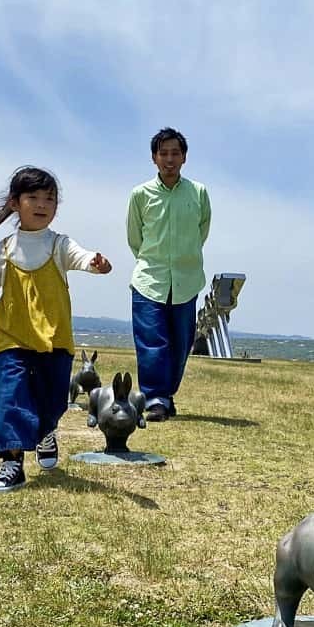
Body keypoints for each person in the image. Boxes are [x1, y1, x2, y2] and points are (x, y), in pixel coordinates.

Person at [0, 157, 112, 493]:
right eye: (34, 198)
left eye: (50, 199)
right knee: (10, 400)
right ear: (15, 203)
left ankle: (45, 431)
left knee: (52, 402)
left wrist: (97, 263)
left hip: (54, 342)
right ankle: (11, 464)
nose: (43, 205)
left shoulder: (59, 245)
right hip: (10, 340)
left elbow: (84, 257)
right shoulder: (4, 250)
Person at [126, 127, 211, 421]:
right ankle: (154, 398)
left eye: (175, 153)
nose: (169, 159)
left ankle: (165, 394)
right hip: (149, 278)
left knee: (180, 343)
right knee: (152, 340)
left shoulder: (198, 192)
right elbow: (134, 238)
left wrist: (184, 258)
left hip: (186, 280)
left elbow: (202, 231)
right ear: (154, 158)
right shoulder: (140, 194)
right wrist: (154, 260)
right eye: (164, 154)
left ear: (184, 157)